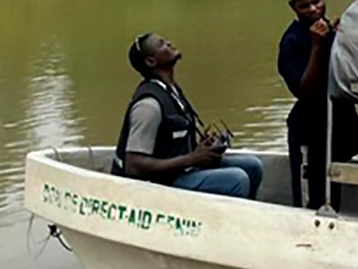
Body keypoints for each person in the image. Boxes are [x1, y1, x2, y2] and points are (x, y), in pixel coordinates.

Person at [112, 33, 263, 199]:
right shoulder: (149, 105)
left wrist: (203, 149)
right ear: (151, 61)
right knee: (237, 180)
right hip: (158, 185)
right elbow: (134, 166)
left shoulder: (171, 90)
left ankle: (244, 212)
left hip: (180, 170)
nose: (169, 43)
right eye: (161, 44)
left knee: (252, 166)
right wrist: (193, 159)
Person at [277, 0, 358, 208]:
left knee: (335, 192)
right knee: (312, 201)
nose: (313, 9)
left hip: (339, 127)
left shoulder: (335, 31)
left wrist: (345, 36)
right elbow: (305, 92)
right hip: (310, 133)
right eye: (304, 6)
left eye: (316, 1)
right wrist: (316, 47)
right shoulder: (292, 42)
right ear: (293, 7)